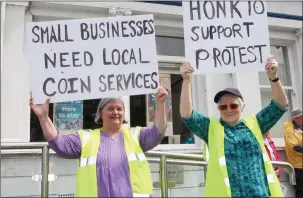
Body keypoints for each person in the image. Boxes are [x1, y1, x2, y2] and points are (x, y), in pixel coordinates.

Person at [29, 86, 168, 197]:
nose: (116, 112)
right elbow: (58, 144)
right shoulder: (85, 138)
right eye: (110, 108)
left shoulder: (136, 135)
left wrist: (160, 104)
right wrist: (43, 117)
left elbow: (158, 131)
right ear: (100, 114)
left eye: (119, 109)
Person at [179, 56, 288, 197]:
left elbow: (280, 105)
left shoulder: (256, 123)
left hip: (260, 194)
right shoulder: (210, 127)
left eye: (234, 105)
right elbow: (187, 114)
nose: (228, 110)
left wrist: (273, 78)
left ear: (242, 107)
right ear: (219, 109)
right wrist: (186, 81)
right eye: (223, 106)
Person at [284, 108, 303, 198]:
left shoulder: (300, 128)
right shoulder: (289, 130)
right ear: (295, 118)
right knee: (300, 190)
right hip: (297, 166)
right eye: (301, 117)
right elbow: (295, 147)